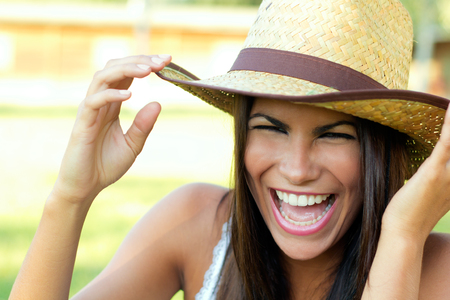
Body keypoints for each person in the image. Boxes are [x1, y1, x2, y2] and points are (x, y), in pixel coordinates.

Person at [9, 0, 450, 299]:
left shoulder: (437, 269)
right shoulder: (197, 224)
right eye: (270, 128)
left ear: (379, 149)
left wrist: (403, 236)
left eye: (333, 135)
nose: (296, 170)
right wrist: (70, 196)